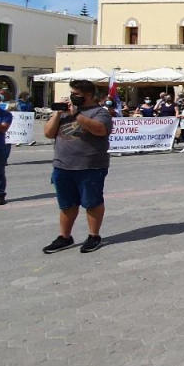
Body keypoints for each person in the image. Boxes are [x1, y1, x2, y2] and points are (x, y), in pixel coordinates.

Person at [42, 80, 113, 254]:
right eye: (72, 93)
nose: (73, 96)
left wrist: (77, 115)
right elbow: (48, 133)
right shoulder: (65, 112)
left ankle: (94, 236)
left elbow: (100, 130)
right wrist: (58, 114)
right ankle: (65, 236)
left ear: (88, 95)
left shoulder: (100, 112)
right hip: (63, 166)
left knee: (92, 202)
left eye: (77, 94)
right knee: (67, 204)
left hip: (90, 166)